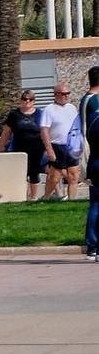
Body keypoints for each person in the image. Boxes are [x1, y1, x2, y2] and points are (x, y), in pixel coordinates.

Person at [0, 89, 46, 200]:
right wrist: (1, 146)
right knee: (21, 173)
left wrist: (48, 147)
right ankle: (22, 197)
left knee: (34, 173)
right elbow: (6, 132)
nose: (27, 101)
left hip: (37, 148)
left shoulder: (40, 114)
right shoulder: (14, 114)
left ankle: (34, 197)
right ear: (21, 100)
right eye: (25, 99)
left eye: (30, 99)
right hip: (19, 147)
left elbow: (46, 131)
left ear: (34, 101)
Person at [41, 80, 82, 201]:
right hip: (57, 146)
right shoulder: (49, 110)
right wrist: (49, 150)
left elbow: (76, 127)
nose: (66, 96)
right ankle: (46, 197)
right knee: (55, 176)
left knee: (73, 175)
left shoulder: (72, 108)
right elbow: (44, 131)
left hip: (71, 145)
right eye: (63, 94)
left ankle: (71, 199)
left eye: (68, 93)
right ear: (56, 94)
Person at [82, 67, 99, 259]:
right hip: (93, 154)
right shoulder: (91, 101)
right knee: (96, 202)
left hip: (93, 157)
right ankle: (93, 244)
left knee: (95, 202)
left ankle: (93, 246)